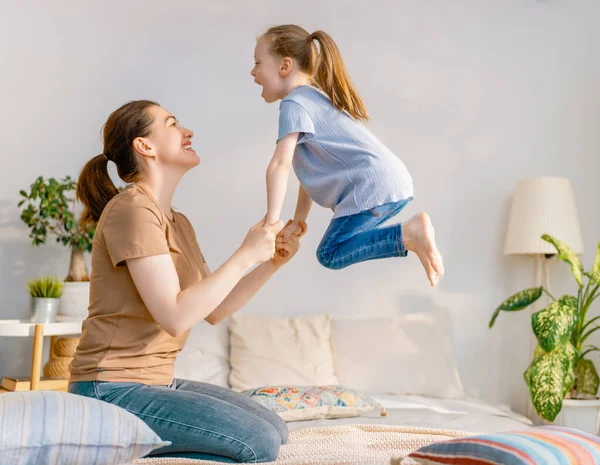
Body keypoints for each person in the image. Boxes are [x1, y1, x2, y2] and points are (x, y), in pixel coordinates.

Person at [68, 99, 306, 462]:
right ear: (144, 146)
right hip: (110, 389)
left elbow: (214, 309)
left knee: (276, 429)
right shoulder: (132, 209)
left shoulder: (177, 222)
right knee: (258, 441)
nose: (187, 131)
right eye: (172, 124)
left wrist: (270, 261)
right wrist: (244, 253)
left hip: (156, 381)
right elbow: (174, 316)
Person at [251, 25, 444, 286]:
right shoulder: (312, 100)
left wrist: (270, 222)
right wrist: (298, 221)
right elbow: (311, 174)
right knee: (335, 249)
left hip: (373, 186)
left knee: (330, 253)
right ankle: (410, 234)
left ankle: (410, 233)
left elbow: (279, 165)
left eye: (257, 63)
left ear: (284, 66)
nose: (253, 72)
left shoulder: (293, 104)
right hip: (389, 183)